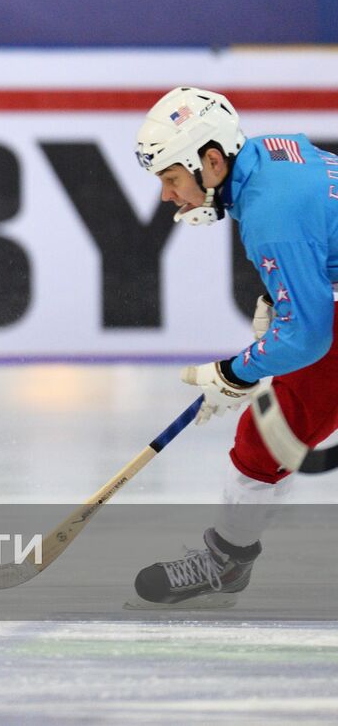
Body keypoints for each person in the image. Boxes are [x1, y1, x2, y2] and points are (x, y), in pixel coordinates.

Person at [129, 87, 338, 608]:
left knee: (265, 440)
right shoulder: (271, 153)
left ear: (212, 161)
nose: (166, 196)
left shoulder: (271, 214)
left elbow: (309, 336)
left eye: (171, 179)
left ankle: (226, 562)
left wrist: (236, 371)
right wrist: (288, 294)